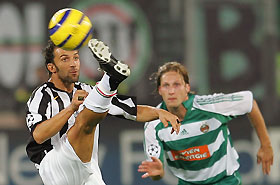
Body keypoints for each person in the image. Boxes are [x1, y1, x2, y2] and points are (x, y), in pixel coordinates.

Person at [25, 39, 180, 185]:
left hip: (89, 169)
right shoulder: (42, 95)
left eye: (76, 58)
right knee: (86, 122)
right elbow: (38, 135)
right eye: (65, 59)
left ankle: (110, 79)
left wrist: (159, 112)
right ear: (51, 67)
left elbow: (131, 110)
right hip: (55, 166)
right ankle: (110, 79)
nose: (73, 64)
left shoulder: (86, 90)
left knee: (94, 107)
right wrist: (71, 108)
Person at [138, 61, 274, 185]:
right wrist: (158, 172)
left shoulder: (210, 106)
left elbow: (249, 102)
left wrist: (266, 145)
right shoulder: (153, 125)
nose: (172, 91)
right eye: (166, 86)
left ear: (187, 87)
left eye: (177, 85)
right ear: (160, 90)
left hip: (225, 181)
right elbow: (156, 171)